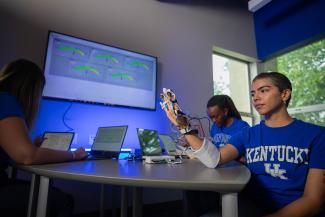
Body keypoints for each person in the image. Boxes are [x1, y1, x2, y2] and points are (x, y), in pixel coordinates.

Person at [162, 72, 325, 217]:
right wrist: (183, 126)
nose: (255, 97)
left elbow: (313, 201)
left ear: (284, 94)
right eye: (253, 93)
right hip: (251, 206)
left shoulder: (317, 135)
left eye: (264, 90)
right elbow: (214, 159)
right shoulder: (248, 134)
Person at [0, 59, 88, 217]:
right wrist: (74, 155)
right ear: (30, 88)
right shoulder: (5, 99)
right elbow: (28, 156)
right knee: (63, 200)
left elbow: (18, 152)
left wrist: (31, 146)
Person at [185, 95, 249, 217]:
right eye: (211, 117)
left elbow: (247, 155)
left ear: (225, 111)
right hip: (219, 167)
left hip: (235, 170)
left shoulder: (242, 127)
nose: (213, 120)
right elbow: (214, 149)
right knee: (191, 187)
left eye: (216, 116)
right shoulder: (215, 128)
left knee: (206, 190)